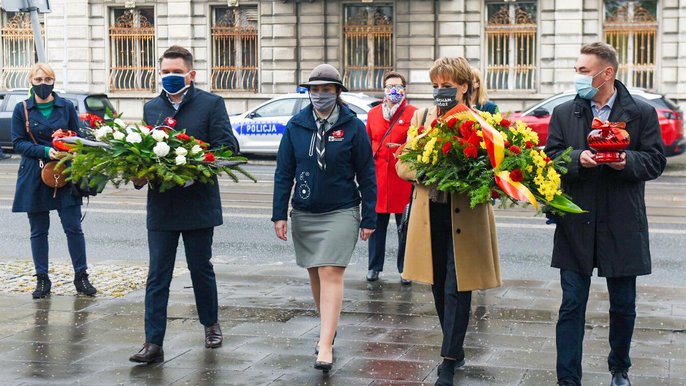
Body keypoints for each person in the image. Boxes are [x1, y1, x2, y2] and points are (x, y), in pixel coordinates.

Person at [544, 42, 666, 386]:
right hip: (576, 222)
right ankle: (567, 378)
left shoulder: (641, 112)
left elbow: (655, 160)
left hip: (622, 221)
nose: (578, 77)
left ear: (606, 73)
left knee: (623, 305)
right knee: (571, 305)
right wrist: (576, 159)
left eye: (584, 71)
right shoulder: (566, 113)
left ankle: (619, 369)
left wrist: (625, 160)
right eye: (577, 69)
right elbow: (552, 156)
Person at [129, 46, 239, 364]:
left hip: (198, 202)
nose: (170, 77)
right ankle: (153, 343)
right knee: (157, 275)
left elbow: (227, 147)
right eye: (164, 72)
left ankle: (210, 324)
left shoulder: (211, 104)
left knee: (200, 268)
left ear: (191, 74)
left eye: (176, 72)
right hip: (162, 206)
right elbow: (147, 150)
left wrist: (195, 166)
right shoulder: (152, 108)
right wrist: (139, 173)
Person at [396, 57, 501, 386]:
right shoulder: (422, 117)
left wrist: (474, 176)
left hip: (465, 216)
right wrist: (426, 169)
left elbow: (493, 169)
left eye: (447, 86)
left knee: (458, 284)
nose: (440, 92)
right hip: (430, 213)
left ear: (464, 87)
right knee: (438, 283)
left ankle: (448, 359)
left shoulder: (480, 121)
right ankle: (453, 344)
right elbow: (402, 163)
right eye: (436, 86)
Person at [272, 63, 376, 373]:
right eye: (314, 90)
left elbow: (367, 173)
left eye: (326, 90)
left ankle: (325, 344)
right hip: (305, 212)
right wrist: (279, 213)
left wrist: (369, 216)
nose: (319, 96)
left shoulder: (353, 126)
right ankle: (328, 326)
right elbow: (283, 172)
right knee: (316, 274)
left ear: (337, 92)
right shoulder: (296, 125)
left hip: (342, 210)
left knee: (331, 271)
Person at [11, 63, 97, 299]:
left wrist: (69, 145)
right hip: (34, 173)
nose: (42, 84)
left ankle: (81, 277)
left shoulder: (66, 106)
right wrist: (46, 151)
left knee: (73, 227)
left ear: (54, 81)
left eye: (47, 79)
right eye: (38, 80)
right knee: (38, 230)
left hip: (65, 172)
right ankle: (42, 279)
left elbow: (77, 136)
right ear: (31, 81)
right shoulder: (22, 109)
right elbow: (18, 143)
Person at [365, 71, 417, 284]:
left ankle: (405, 269)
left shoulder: (413, 113)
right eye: (389, 86)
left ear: (404, 89)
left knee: (404, 227)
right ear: (384, 89)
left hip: (402, 180)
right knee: (376, 226)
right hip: (378, 179)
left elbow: (417, 145)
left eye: (397, 86)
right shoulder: (373, 114)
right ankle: (374, 267)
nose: (393, 90)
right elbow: (368, 143)